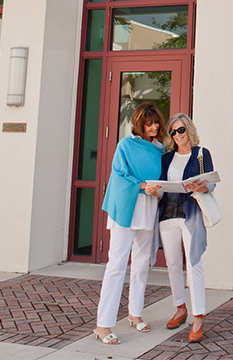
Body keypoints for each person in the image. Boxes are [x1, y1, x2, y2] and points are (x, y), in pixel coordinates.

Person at [93, 102, 167, 345]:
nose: (154, 127)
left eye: (156, 122)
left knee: (142, 263)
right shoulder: (125, 145)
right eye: (149, 123)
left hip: (148, 209)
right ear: (139, 124)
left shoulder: (160, 150)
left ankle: (135, 313)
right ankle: (103, 325)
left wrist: (158, 191)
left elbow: (162, 182)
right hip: (126, 208)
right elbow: (120, 174)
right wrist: (145, 186)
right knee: (117, 264)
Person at [157, 113, 216, 343]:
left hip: (190, 213)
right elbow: (162, 184)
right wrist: (156, 190)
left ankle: (199, 317)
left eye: (180, 130)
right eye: (173, 132)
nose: (177, 135)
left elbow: (210, 183)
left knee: (194, 264)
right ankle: (180, 308)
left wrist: (201, 187)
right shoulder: (166, 158)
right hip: (167, 214)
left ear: (188, 130)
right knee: (172, 264)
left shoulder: (202, 154)